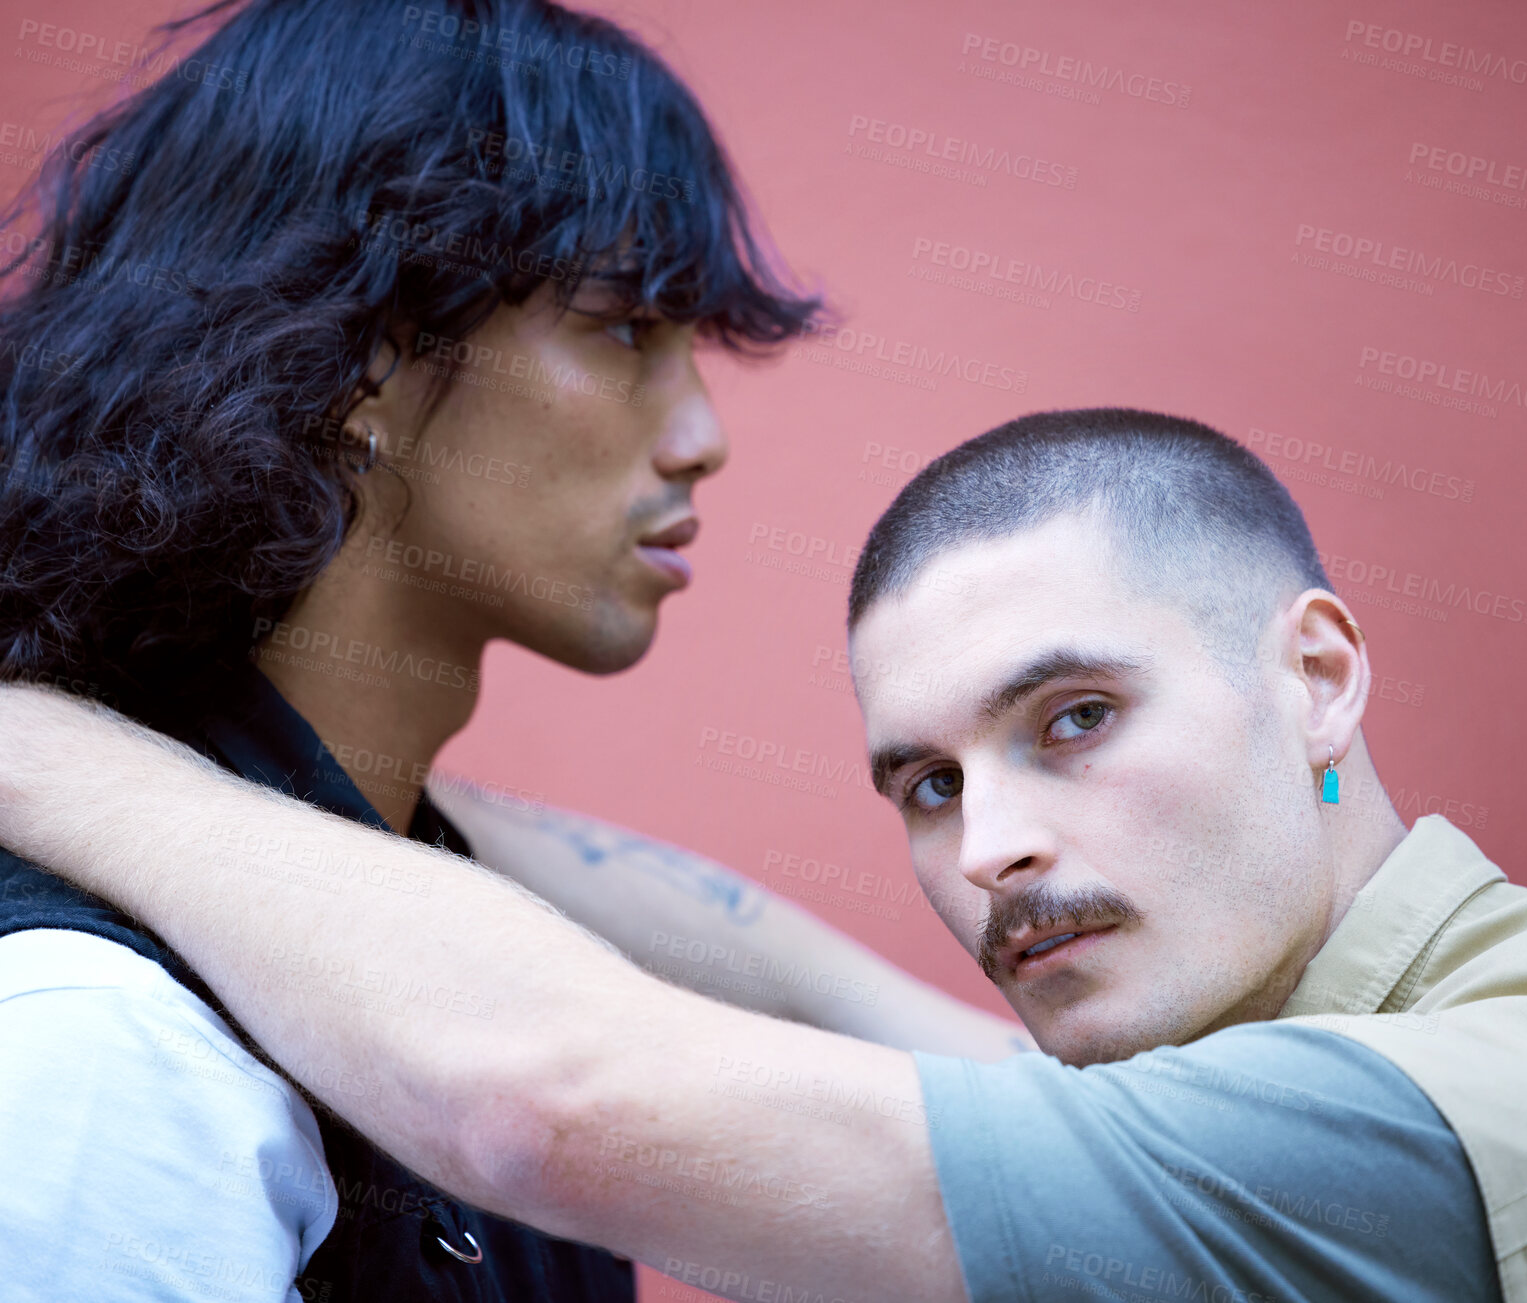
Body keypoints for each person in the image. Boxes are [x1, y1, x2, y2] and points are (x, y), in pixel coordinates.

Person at [5, 409, 1527, 1303]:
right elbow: (796, 980)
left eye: (1074, 719)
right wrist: (324, 773)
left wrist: (34, 742)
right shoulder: (1262, 1044)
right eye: (925, 784)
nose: (989, 848)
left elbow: (553, 1102)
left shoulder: (1452, 1104)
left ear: (1318, 679)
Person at [0, 1, 1020, 1299]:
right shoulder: (104, 1038)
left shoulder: (371, 860)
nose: (701, 433)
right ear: (362, 365)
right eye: (627, 329)